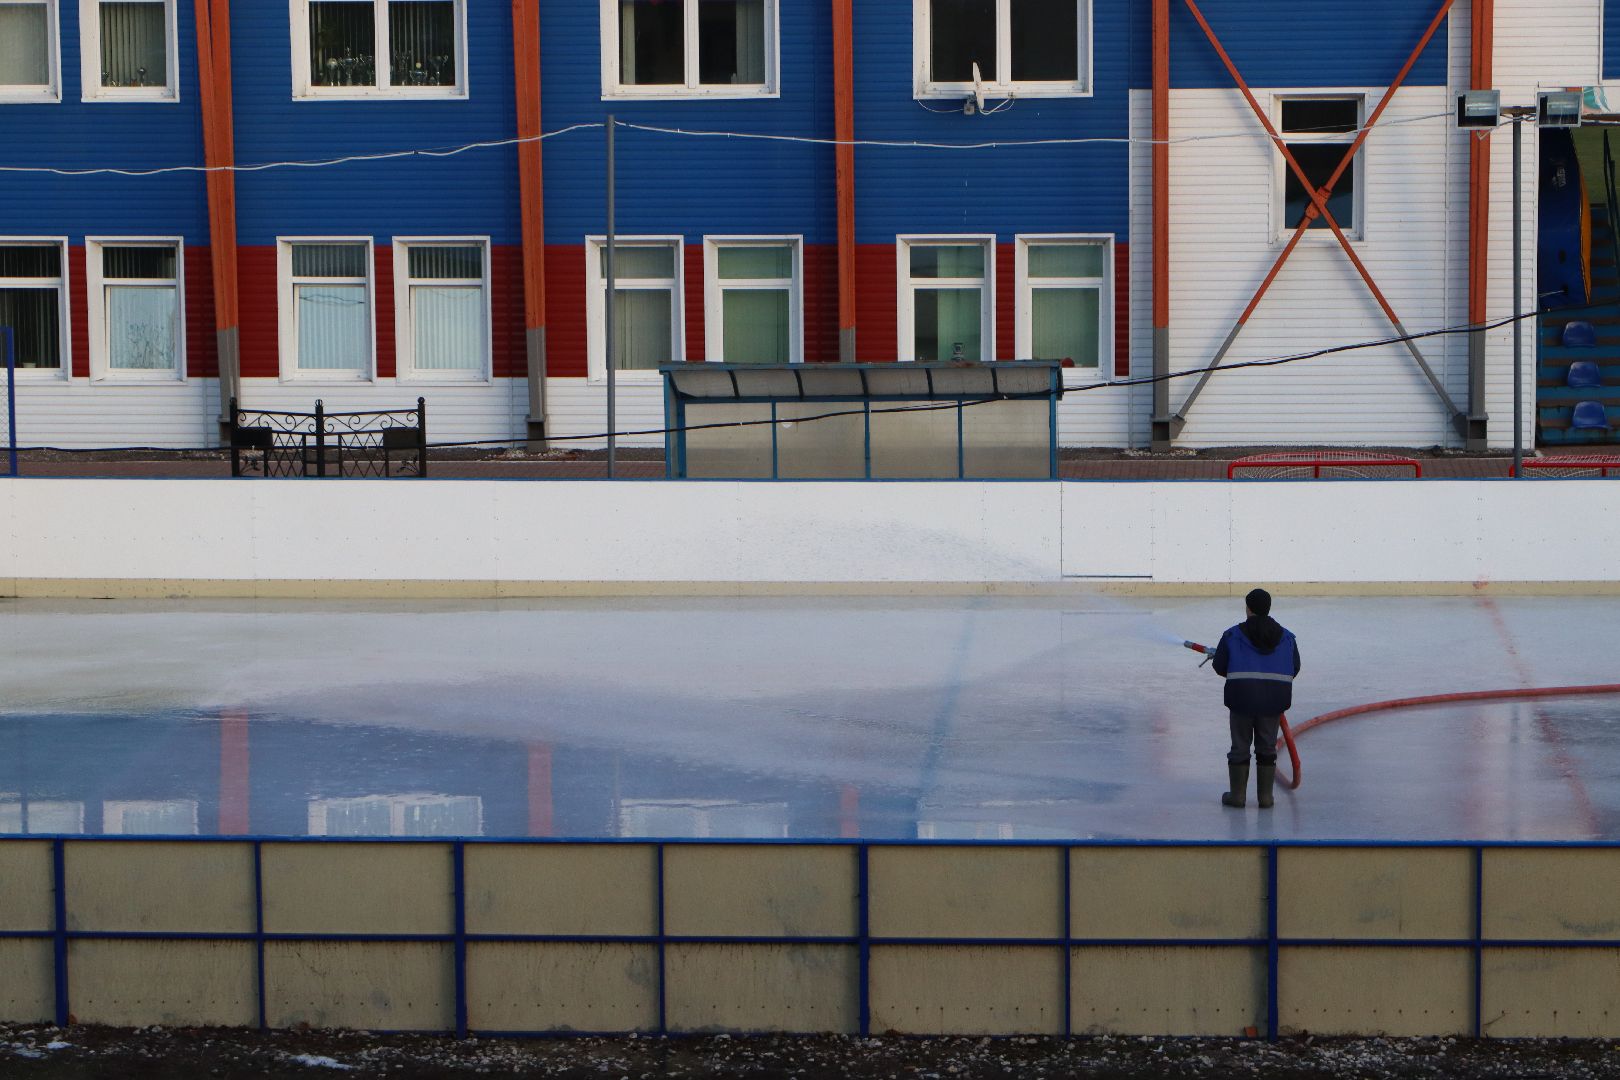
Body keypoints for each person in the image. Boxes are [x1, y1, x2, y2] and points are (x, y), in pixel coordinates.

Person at [1211, 588, 1300, 809]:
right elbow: (1294, 668)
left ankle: (1238, 796)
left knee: (1240, 745)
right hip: (1273, 701)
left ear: (1248, 608)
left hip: (1241, 698)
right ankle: (1266, 798)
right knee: (1267, 747)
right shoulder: (1287, 637)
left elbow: (1219, 666)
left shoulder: (1232, 635)